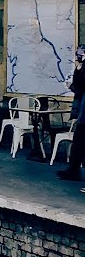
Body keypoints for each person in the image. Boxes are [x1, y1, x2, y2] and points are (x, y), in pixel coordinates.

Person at [55, 46, 85, 181]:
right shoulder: (81, 68)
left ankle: (73, 170)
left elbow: (80, 87)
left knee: (79, 142)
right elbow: (78, 87)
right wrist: (78, 70)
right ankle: (73, 170)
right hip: (82, 111)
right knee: (78, 142)